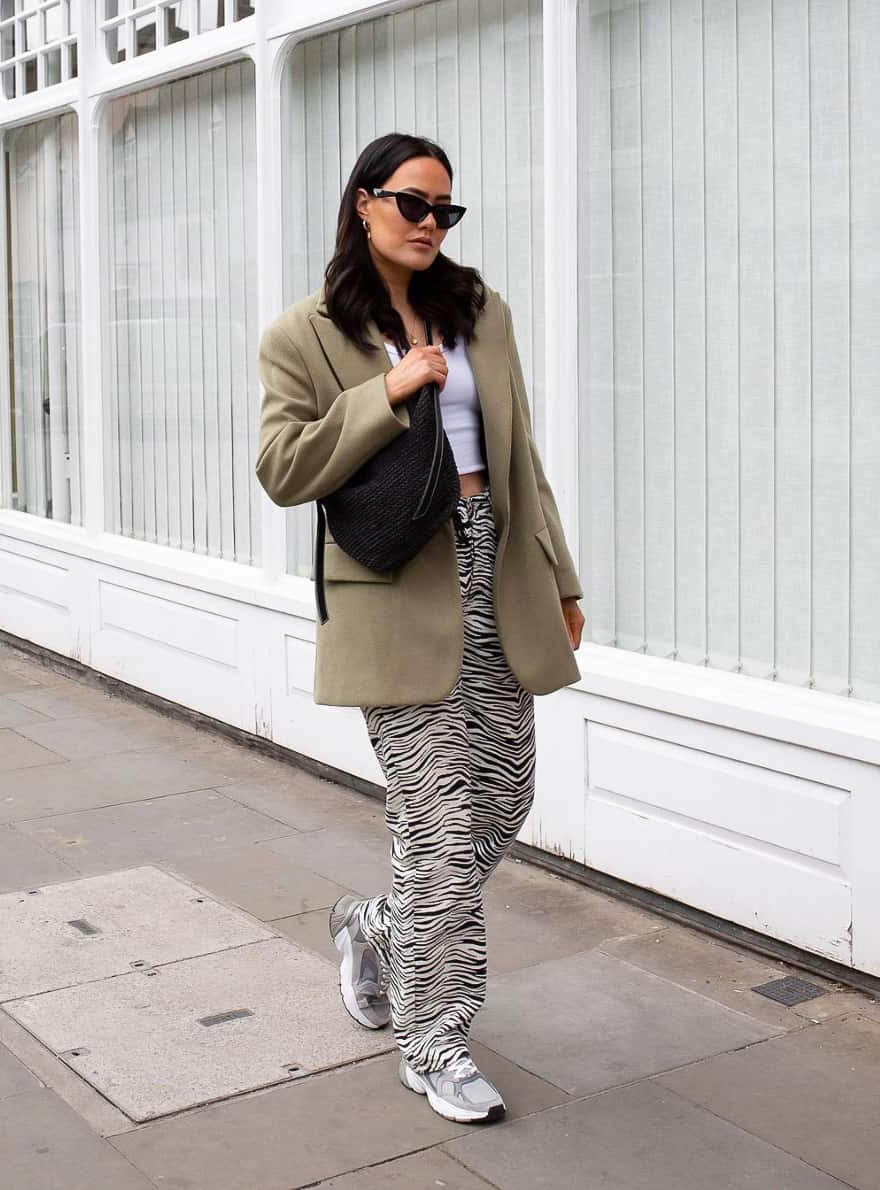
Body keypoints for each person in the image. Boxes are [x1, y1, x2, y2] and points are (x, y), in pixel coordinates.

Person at [256, 133, 584, 1125]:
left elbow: (521, 455)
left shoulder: (482, 314)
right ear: (362, 204)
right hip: (396, 587)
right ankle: (434, 1036)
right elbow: (282, 467)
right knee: (439, 829)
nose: (429, 223)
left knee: (504, 800)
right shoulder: (303, 334)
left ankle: (374, 924)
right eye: (410, 203)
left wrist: (560, 571)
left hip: (500, 566)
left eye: (445, 209)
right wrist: (384, 393)